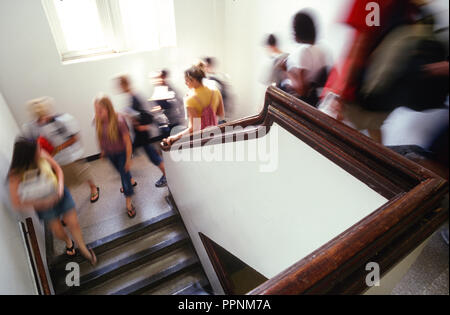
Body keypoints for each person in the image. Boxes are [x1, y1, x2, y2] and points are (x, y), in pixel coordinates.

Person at [8, 137, 97, 265]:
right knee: (57, 231)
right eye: (36, 150)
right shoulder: (16, 173)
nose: (40, 151)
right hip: (43, 206)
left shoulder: (41, 154)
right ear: (27, 155)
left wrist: (60, 187)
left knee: (73, 223)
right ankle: (68, 242)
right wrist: (40, 204)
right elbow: (16, 203)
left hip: (59, 194)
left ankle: (83, 249)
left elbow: (57, 169)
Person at [22, 97, 100, 204]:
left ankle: (93, 188)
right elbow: (31, 141)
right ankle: (68, 201)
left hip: (71, 156)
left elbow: (75, 137)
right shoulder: (32, 127)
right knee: (63, 181)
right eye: (38, 116)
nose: (42, 119)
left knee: (83, 173)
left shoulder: (62, 120)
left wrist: (57, 149)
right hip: (54, 160)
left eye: (43, 114)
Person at [117, 75, 167, 188]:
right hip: (139, 133)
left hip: (142, 133)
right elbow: (137, 114)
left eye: (120, 85)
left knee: (150, 156)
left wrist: (144, 126)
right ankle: (128, 180)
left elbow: (146, 115)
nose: (120, 88)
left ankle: (166, 176)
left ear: (124, 85)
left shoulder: (135, 97)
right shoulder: (132, 96)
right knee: (130, 154)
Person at [94, 95, 137, 218]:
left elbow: (128, 142)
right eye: (96, 111)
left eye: (100, 111)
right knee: (123, 173)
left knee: (124, 176)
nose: (98, 113)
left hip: (122, 153)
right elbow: (100, 135)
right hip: (110, 154)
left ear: (108, 108)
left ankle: (129, 203)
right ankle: (130, 180)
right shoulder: (98, 119)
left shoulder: (119, 120)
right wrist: (102, 150)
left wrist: (128, 159)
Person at [164, 65, 225, 145]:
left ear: (194, 80)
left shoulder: (190, 99)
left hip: (202, 139)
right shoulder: (215, 90)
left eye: (187, 80)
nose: (185, 83)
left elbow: (194, 128)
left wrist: (175, 137)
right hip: (215, 134)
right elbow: (221, 114)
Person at [281, 10, 331, 107]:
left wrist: (286, 70)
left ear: (298, 30)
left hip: (299, 104)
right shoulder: (322, 50)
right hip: (315, 102)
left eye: (293, 28)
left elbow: (302, 90)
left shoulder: (303, 51)